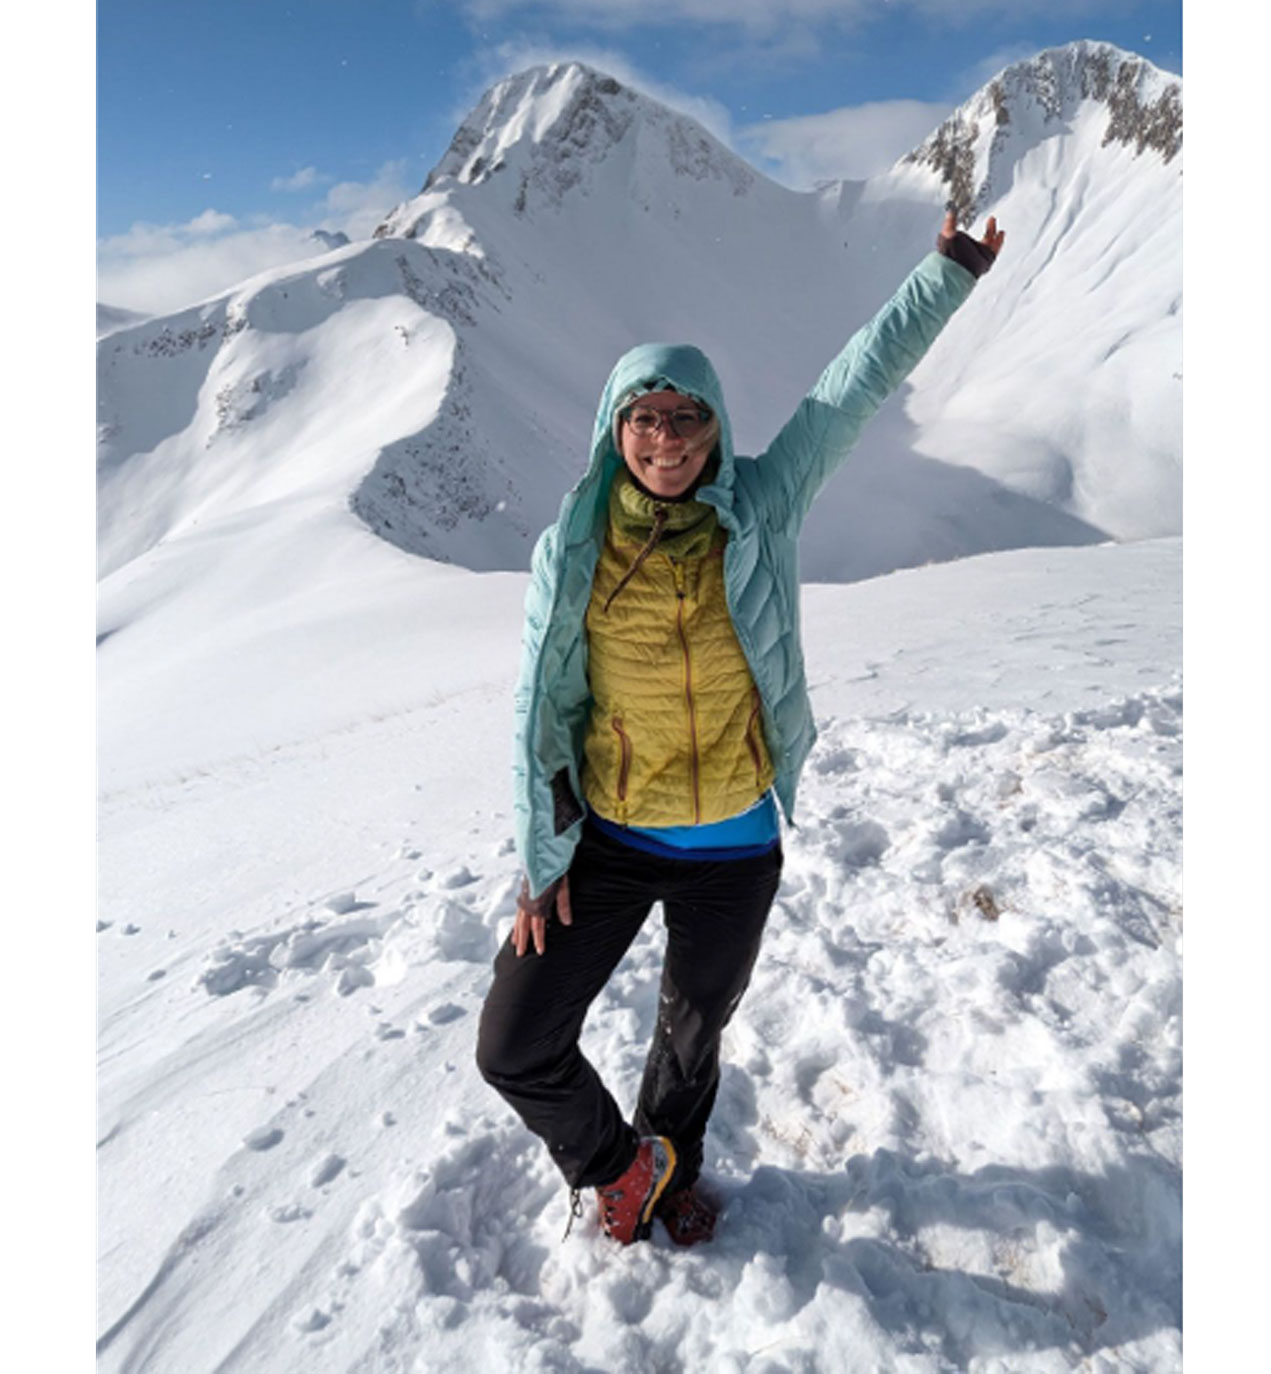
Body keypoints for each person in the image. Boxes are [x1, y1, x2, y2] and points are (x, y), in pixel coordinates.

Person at [476, 211, 1005, 1247]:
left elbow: (847, 392)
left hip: (734, 846)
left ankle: (663, 1183)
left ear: (713, 425)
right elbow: (540, 712)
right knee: (515, 1041)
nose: (665, 437)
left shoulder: (761, 505)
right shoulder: (571, 548)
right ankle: (615, 1163)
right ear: (613, 427)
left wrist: (944, 275)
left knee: (690, 1035)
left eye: (685, 417)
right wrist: (542, 861)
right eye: (644, 417)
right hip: (611, 841)